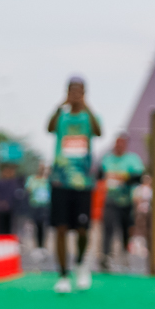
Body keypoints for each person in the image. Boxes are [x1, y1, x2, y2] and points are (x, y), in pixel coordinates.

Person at [46, 77, 102, 293]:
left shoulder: (89, 117)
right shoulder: (61, 116)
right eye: (72, 91)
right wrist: (60, 105)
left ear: (85, 93)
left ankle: (80, 264)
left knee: (82, 230)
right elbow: (48, 128)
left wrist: (87, 106)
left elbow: (99, 132)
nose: (75, 95)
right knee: (60, 228)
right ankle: (62, 275)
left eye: (79, 91)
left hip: (83, 183)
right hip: (60, 180)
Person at [97, 134, 144, 268]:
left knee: (126, 229)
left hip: (127, 200)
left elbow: (139, 177)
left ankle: (125, 253)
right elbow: (99, 175)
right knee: (108, 227)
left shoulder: (132, 159)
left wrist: (124, 178)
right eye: (117, 143)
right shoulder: (107, 159)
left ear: (125, 145)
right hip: (111, 199)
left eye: (121, 143)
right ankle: (105, 256)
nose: (119, 146)